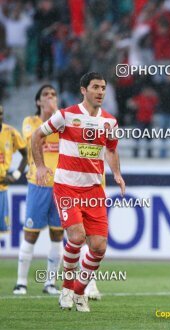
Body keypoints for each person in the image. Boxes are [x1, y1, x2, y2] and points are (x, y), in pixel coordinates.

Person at [31, 72, 125, 312]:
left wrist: (117, 174)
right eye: (95, 87)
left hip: (94, 190)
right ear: (84, 90)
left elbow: (112, 150)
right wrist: (41, 166)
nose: (100, 92)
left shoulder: (110, 122)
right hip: (67, 187)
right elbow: (37, 135)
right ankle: (66, 288)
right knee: (76, 237)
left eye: (103, 88)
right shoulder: (65, 116)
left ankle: (80, 291)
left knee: (99, 247)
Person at [13, 85, 63, 296]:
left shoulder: (63, 123)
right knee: (30, 235)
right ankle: (21, 282)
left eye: (53, 94)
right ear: (38, 102)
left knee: (57, 235)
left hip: (60, 185)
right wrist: (53, 116)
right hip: (38, 184)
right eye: (46, 95)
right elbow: (36, 137)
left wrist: (58, 116)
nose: (50, 97)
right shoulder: (30, 122)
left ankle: (50, 283)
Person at [0, 105, 28, 238]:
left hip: (2, 189)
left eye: (0, 113)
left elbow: (26, 155)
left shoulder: (11, 133)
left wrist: (15, 175)